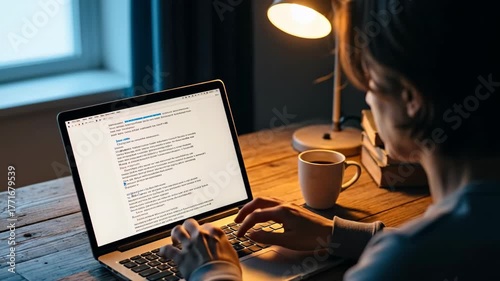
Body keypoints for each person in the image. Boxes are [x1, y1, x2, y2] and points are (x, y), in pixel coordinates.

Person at [159, 0, 500, 280]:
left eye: (372, 83)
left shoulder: (400, 263)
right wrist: (335, 235)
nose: (366, 100)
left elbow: (417, 255)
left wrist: (212, 271)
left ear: (412, 99)